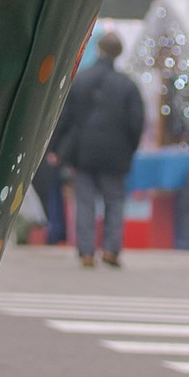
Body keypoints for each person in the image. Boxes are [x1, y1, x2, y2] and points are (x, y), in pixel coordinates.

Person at [51, 27, 145, 270]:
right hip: (116, 154)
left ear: (99, 49)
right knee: (115, 201)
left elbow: (64, 117)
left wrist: (56, 147)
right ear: (119, 53)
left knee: (84, 201)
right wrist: (129, 149)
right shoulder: (128, 85)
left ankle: (86, 252)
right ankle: (111, 250)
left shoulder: (80, 79)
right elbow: (136, 123)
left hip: (83, 151)